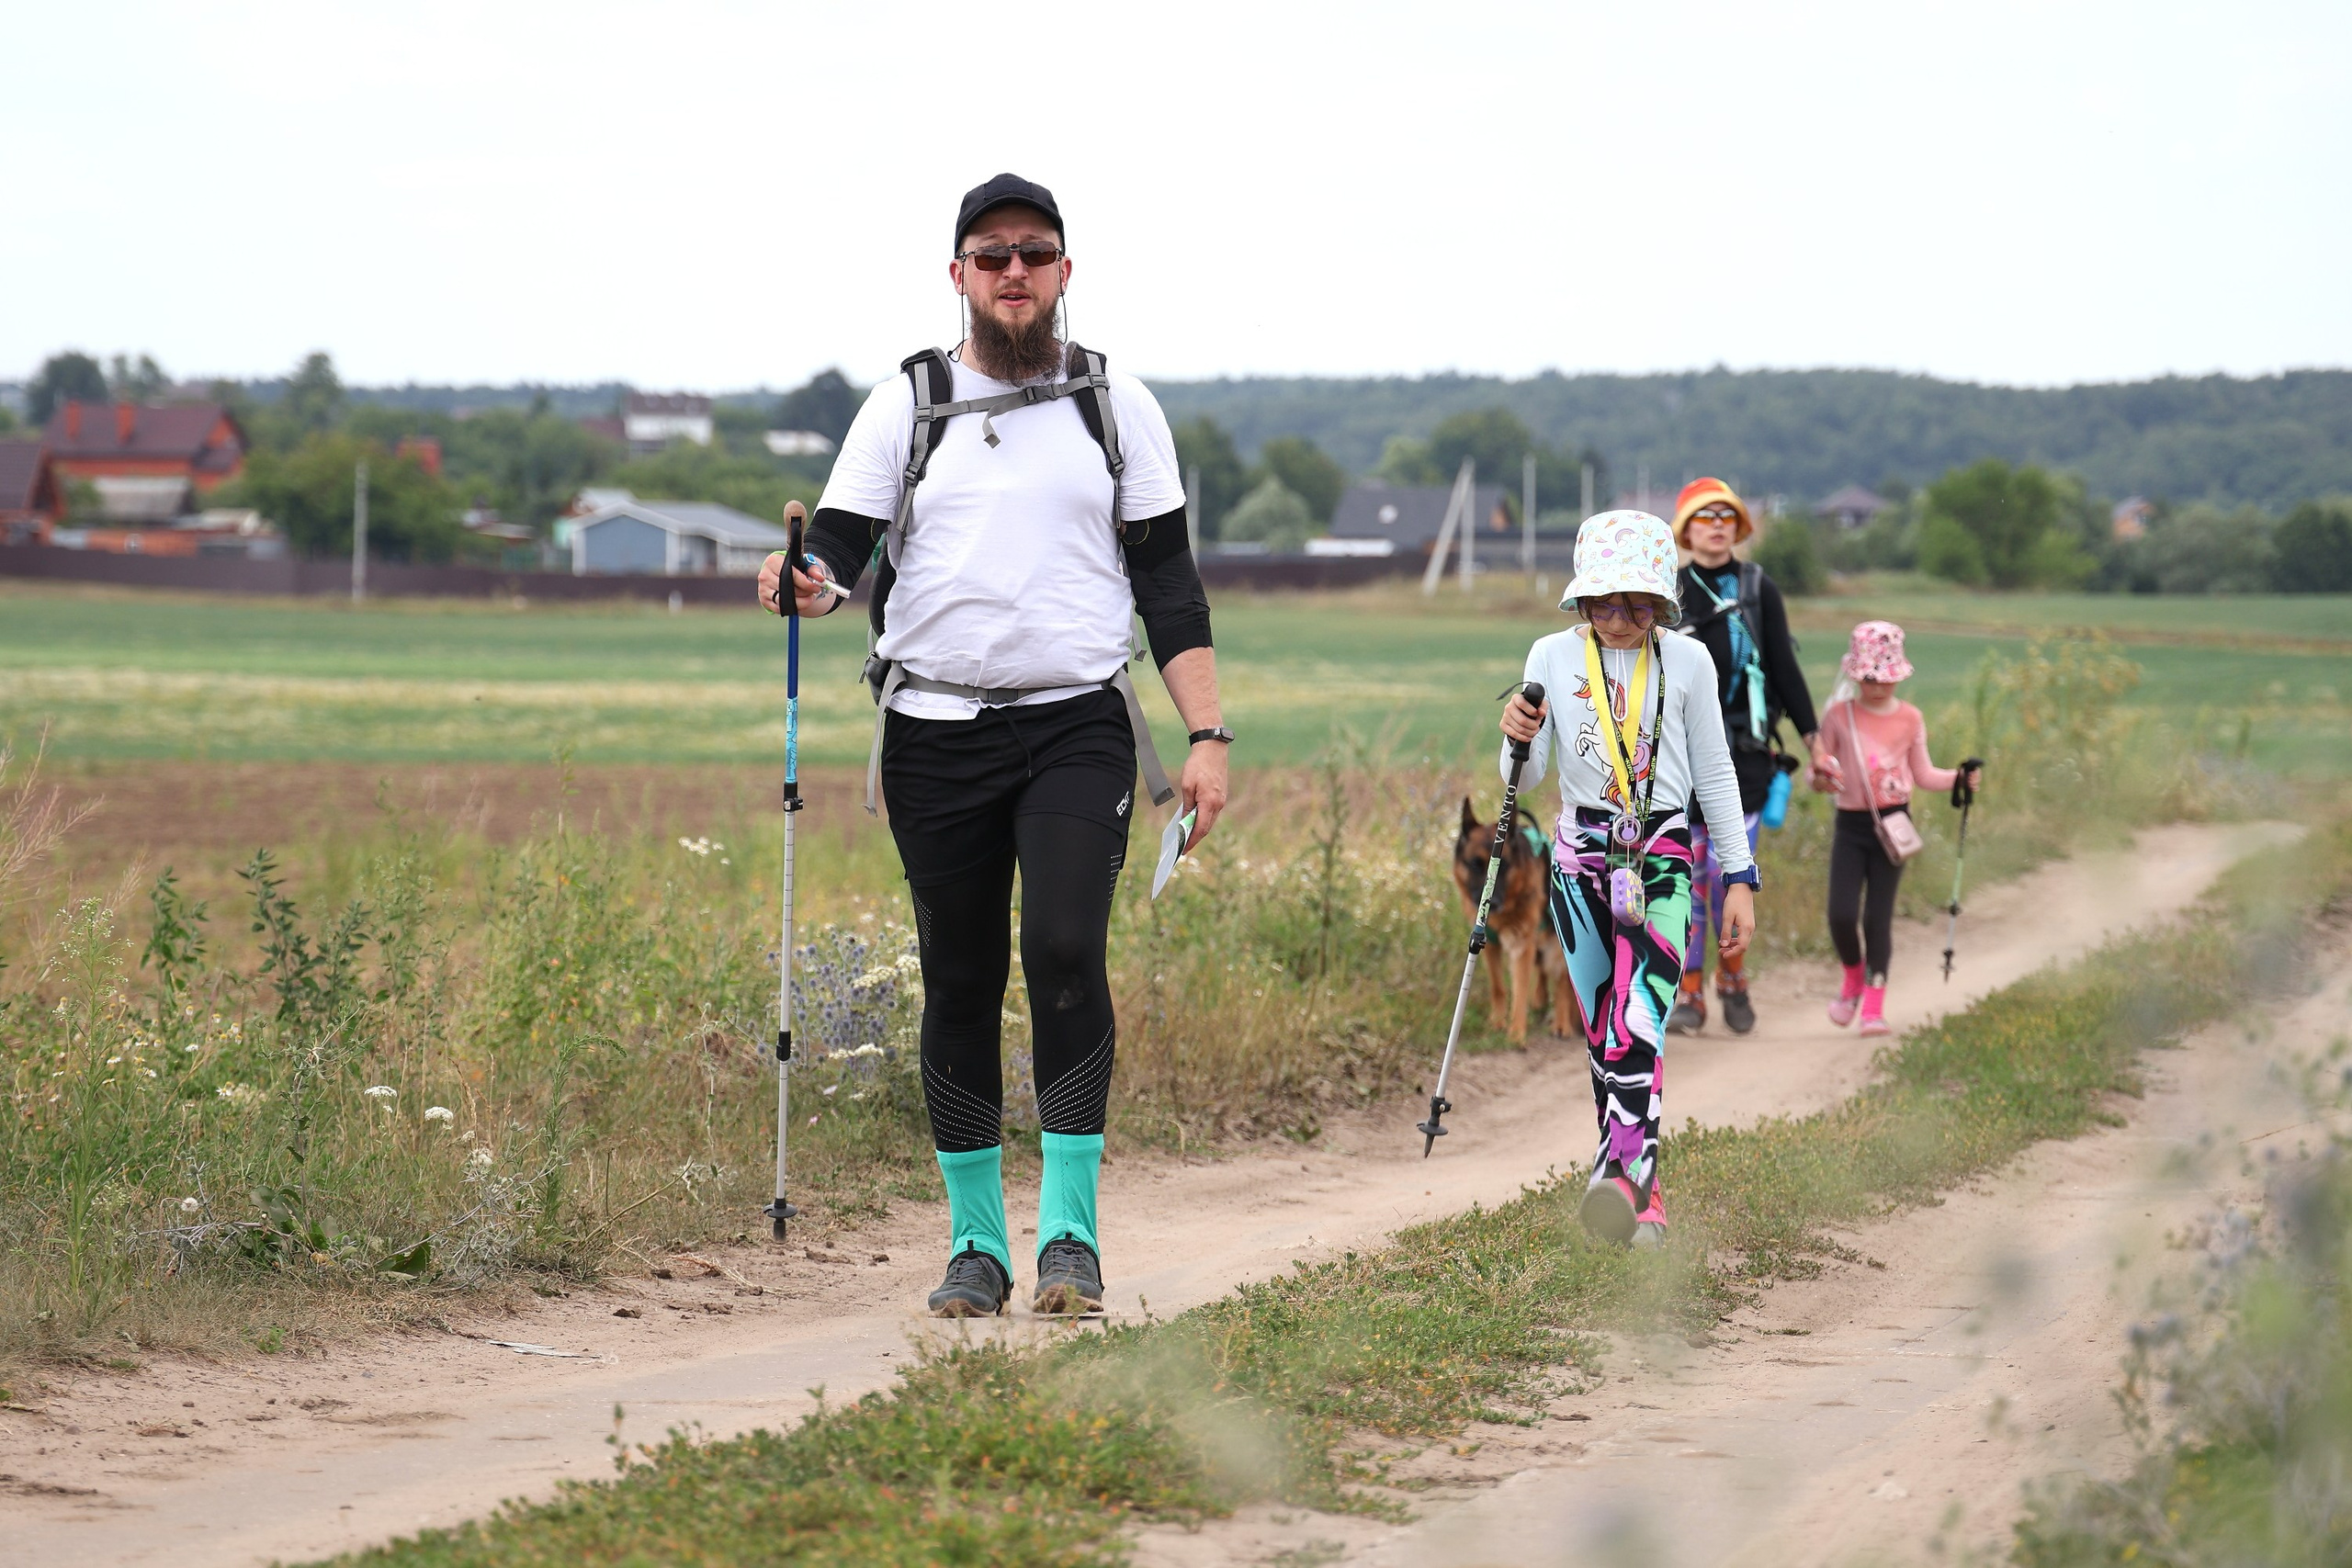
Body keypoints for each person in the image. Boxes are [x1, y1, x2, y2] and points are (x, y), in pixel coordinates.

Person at [757, 174, 1232, 1318]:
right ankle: (977, 1247)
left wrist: (1207, 735)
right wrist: (803, 587)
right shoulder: (903, 406)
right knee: (959, 975)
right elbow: (837, 556)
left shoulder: (1119, 407)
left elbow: (1166, 580)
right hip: (933, 730)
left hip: (1077, 721)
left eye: (1034, 253)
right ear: (958, 275)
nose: (1013, 272)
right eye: (991, 255)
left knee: (1067, 949)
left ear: (1066, 271)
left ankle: (1070, 1238)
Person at [1501, 510, 1758, 1249]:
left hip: (1665, 855)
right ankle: (1639, 1196)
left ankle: (1618, 1177)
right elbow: (1530, 771)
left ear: (1664, 605)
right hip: (1578, 855)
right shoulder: (1550, 654)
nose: (1620, 617)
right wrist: (1514, 738)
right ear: (1581, 600)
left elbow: (1714, 767)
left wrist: (1739, 875)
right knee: (1602, 1029)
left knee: (1638, 1019)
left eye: (1639, 603)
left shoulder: (1690, 661)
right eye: (1604, 602)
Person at [1667, 478, 1821, 1037]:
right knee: (1685, 879)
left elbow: (1784, 667)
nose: (1716, 524)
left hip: (1748, 760)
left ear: (1738, 526)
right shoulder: (1668, 593)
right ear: (1685, 528)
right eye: (1704, 516)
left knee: (1727, 875)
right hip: (1680, 762)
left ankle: (1732, 981)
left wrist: (1815, 742)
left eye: (1726, 515)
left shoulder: (1759, 589)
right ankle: (1690, 992)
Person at [1809, 621, 1983, 1036]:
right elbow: (1817, 775)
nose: (1878, 686)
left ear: (1899, 674)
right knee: (1841, 914)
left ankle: (1873, 1005)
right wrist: (1820, 778)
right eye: (1869, 677)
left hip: (1894, 825)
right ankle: (1852, 974)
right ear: (1856, 674)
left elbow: (1922, 774)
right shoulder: (1839, 715)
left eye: (1886, 677)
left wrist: (1958, 779)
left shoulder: (1910, 718)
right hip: (1850, 825)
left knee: (1877, 919)